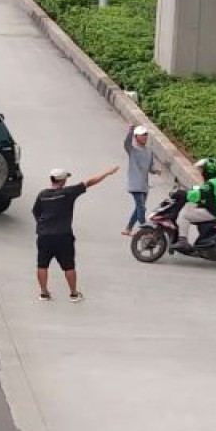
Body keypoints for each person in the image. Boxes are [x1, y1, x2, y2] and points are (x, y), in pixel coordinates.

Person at [31, 165, 118, 302]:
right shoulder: (68, 193)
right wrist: (107, 173)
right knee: (69, 265)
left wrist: (42, 225)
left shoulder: (43, 195)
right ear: (62, 181)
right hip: (63, 235)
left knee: (42, 264)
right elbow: (89, 182)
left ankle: (44, 293)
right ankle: (73, 293)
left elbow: (36, 211)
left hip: (44, 236)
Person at [173, 157, 216, 252]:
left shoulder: (212, 183)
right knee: (195, 210)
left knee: (184, 215)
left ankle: (183, 241)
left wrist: (184, 194)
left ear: (208, 170)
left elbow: (200, 194)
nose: (201, 172)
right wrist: (192, 190)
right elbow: (204, 191)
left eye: (202, 169)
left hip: (214, 212)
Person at [122, 125, 159, 236]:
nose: (144, 137)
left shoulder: (149, 151)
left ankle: (128, 229)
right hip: (135, 184)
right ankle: (145, 230)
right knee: (141, 208)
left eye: (145, 134)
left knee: (139, 208)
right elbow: (126, 144)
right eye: (142, 135)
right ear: (136, 137)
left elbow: (150, 168)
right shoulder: (132, 150)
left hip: (144, 185)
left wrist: (156, 171)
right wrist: (130, 131)